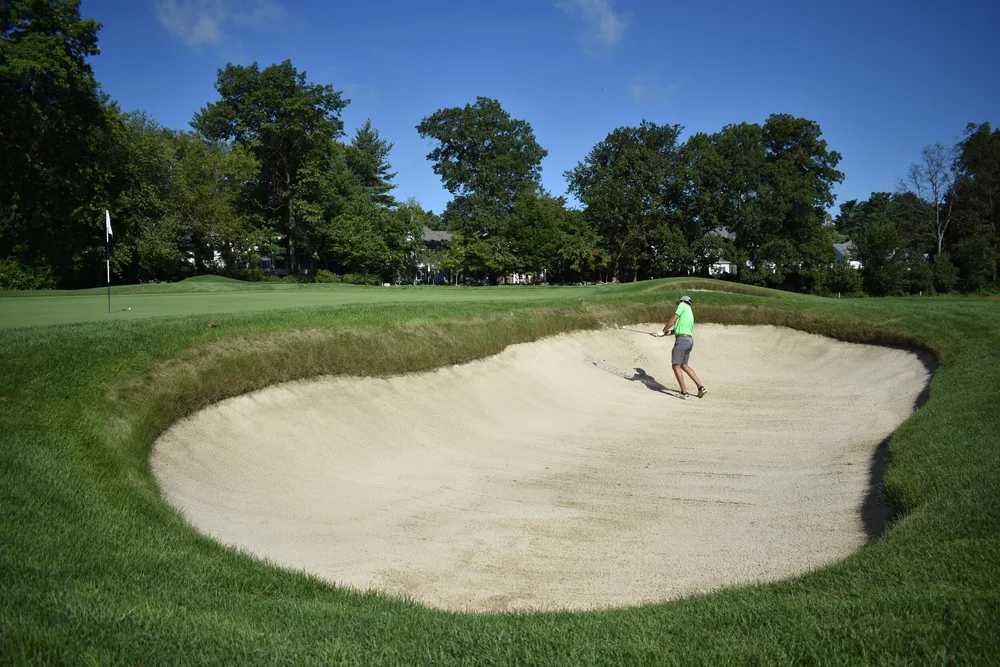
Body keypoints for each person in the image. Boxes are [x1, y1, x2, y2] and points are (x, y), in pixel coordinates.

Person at [651, 295, 707, 399]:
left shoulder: (683, 304)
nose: (678, 305)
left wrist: (662, 331)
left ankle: (684, 393)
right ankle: (700, 387)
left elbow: (673, 319)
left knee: (675, 366)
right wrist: (660, 334)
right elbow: (675, 331)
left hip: (682, 341)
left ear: (683, 301)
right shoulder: (689, 313)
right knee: (684, 365)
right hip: (689, 341)